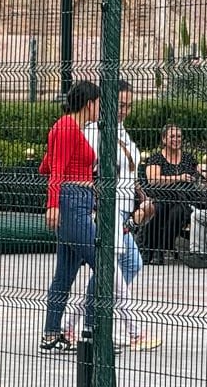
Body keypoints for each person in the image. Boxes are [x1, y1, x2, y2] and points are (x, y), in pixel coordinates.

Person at [76, 80, 162, 351]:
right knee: (114, 268)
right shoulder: (95, 131)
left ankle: (71, 323)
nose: (124, 110)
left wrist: (142, 197)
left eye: (129, 105)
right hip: (106, 207)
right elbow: (91, 168)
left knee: (123, 267)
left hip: (125, 204)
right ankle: (133, 330)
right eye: (121, 104)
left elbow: (129, 171)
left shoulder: (122, 132)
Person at [39, 80, 100, 354]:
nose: (101, 109)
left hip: (75, 200)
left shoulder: (66, 128)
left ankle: (51, 334)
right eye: (99, 103)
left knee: (64, 274)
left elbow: (47, 165)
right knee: (105, 265)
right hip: (72, 202)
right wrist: (53, 204)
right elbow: (55, 171)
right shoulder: (67, 128)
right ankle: (91, 330)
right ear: (89, 104)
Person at [142, 124, 207, 264]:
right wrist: (178, 178)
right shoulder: (156, 158)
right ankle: (147, 250)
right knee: (159, 211)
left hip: (184, 199)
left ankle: (160, 251)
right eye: (172, 136)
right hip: (163, 198)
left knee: (177, 213)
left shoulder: (188, 158)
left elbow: (200, 177)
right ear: (164, 139)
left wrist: (196, 177)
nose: (176, 139)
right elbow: (152, 180)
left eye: (179, 136)